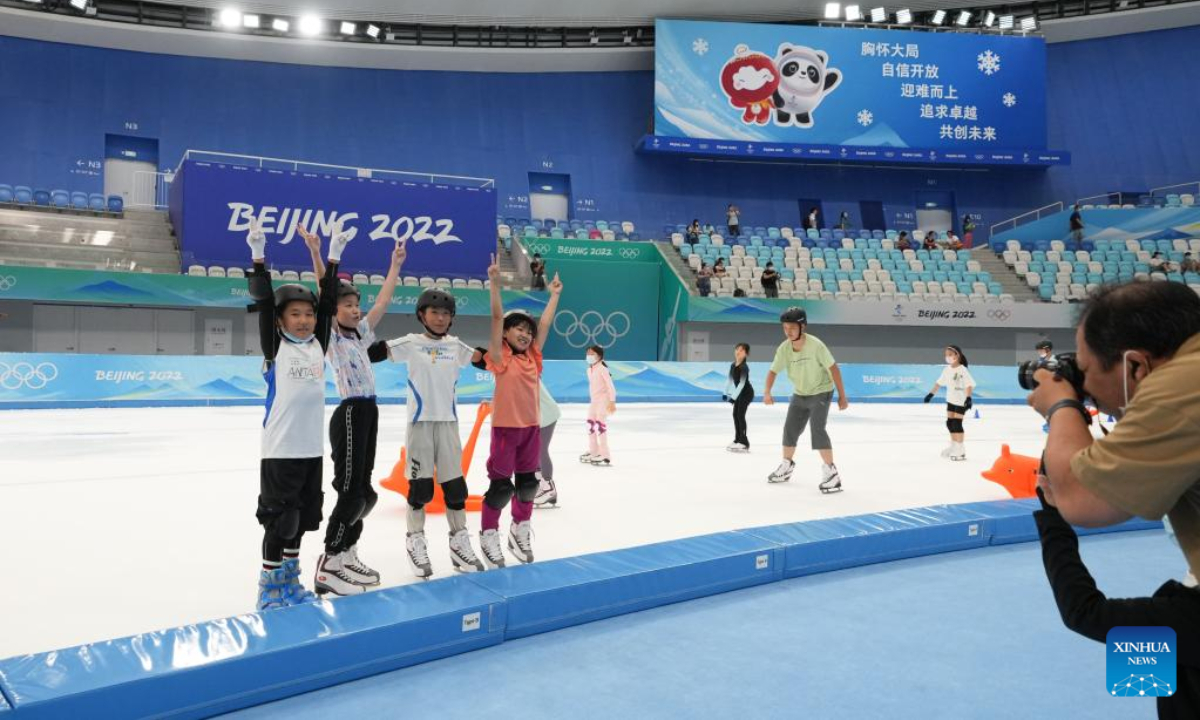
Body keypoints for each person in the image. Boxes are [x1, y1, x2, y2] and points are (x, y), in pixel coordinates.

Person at [1027, 281, 1200, 589]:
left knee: (1133, 637)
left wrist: (1061, 405)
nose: (1086, 388)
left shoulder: (1181, 387)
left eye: (1085, 371)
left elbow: (1083, 500)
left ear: (1135, 365)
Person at [298, 225, 404, 593]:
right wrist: (319, 253)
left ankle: (347, 552)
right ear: (335, 310)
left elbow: (383, 304)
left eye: (357, 305)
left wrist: (395, 266)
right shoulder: (327, 335)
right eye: (348, 305)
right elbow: (325, 296)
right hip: (349, 414)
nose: (356, 310)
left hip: (370, 412)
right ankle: (329, 561)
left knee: (366, 493)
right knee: (350, 491)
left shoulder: (360, 334)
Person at [1033, 484, 1200, 718]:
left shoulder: (1184, 616)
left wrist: (1053, 516)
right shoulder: (1179, 614)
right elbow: (1146, 675)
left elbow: (1083, 612)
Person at [245, 219, 340, 609]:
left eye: (308, 314)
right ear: (282, 320)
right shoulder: (276, 347)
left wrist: (332, 256)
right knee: (279, 521)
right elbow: (264, 303)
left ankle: (290, 584)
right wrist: (258, 256)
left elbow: (330, 302)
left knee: (301, 520)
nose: (304, 320)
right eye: (295, 314)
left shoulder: (318, 345)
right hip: (281, 451)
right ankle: (269, 589)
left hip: (309, 451)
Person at [386, 285, 488, 578]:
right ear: (422, 315)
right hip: (419, 423)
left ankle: (459, 544)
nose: (440, 318)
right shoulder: (411, 342)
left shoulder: (456, 346)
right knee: (420, 489)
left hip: (448, 424)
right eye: (435, 312)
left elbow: (485, 359)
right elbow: (375, 351)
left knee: (455, 488)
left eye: (446, 313)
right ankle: (415, 540)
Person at [478, 255, 562, 568]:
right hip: (505, 430)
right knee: (501, 487)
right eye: (518, 330)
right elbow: (497, 317)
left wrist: (554, 295)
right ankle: (488, 533)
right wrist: (495, 284)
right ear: (505, 335)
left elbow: (545, 324)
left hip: (530, 430)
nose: (525, 334)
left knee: (528, 485)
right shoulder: (500, 358)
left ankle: (520, 529)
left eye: (527, 330)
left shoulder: (533, 358)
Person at [762, 306, 849, 492]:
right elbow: (772, 371)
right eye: (785, 328)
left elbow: (833, 368)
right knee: (790, 429)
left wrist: (842, 395)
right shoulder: (784, 348)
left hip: (821, 391)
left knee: (817, 429)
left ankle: (832, 474)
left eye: (792, 327)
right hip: (800, 392)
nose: (788, 332)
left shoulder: (816, 345)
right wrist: (767, 392)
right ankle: (786, 465)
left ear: (803, 327)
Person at [924, 345, 975, 461]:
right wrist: (931, 394)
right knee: (950, 423)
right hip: (951, 400)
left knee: (957, 424)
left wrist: (968, 398)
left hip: (961, 401)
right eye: (946, 355)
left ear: (957, 355)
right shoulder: (946, 370)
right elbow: (938, 383)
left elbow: (969, 384)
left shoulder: (963, 370)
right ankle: (954, 446)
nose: (947, 357)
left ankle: (961, 450)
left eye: (950, 355)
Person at [580, 345, 617, 466]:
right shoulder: (589, 369)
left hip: (603, 401)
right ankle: (594, 451)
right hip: (594, 401)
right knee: (590, 425)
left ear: (599, 356)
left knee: (600, 426)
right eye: (588, 353)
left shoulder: (602, 368)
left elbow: (610, 386)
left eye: (592, 353)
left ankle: (605, 455)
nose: (589, 356)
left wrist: (612, 401)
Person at [723, 343, 753, 452]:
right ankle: (737, 439)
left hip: (747, 393)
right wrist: (725, 392)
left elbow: (741, 383)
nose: (738, 352)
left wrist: (733, 397)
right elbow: (730, 380)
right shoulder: (733, 365)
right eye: (737, 349)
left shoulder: (744, 367)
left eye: (741, 350)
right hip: (739, 393)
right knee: (735, 415)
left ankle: (744, 442)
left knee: (740, 415)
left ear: (746, 353)